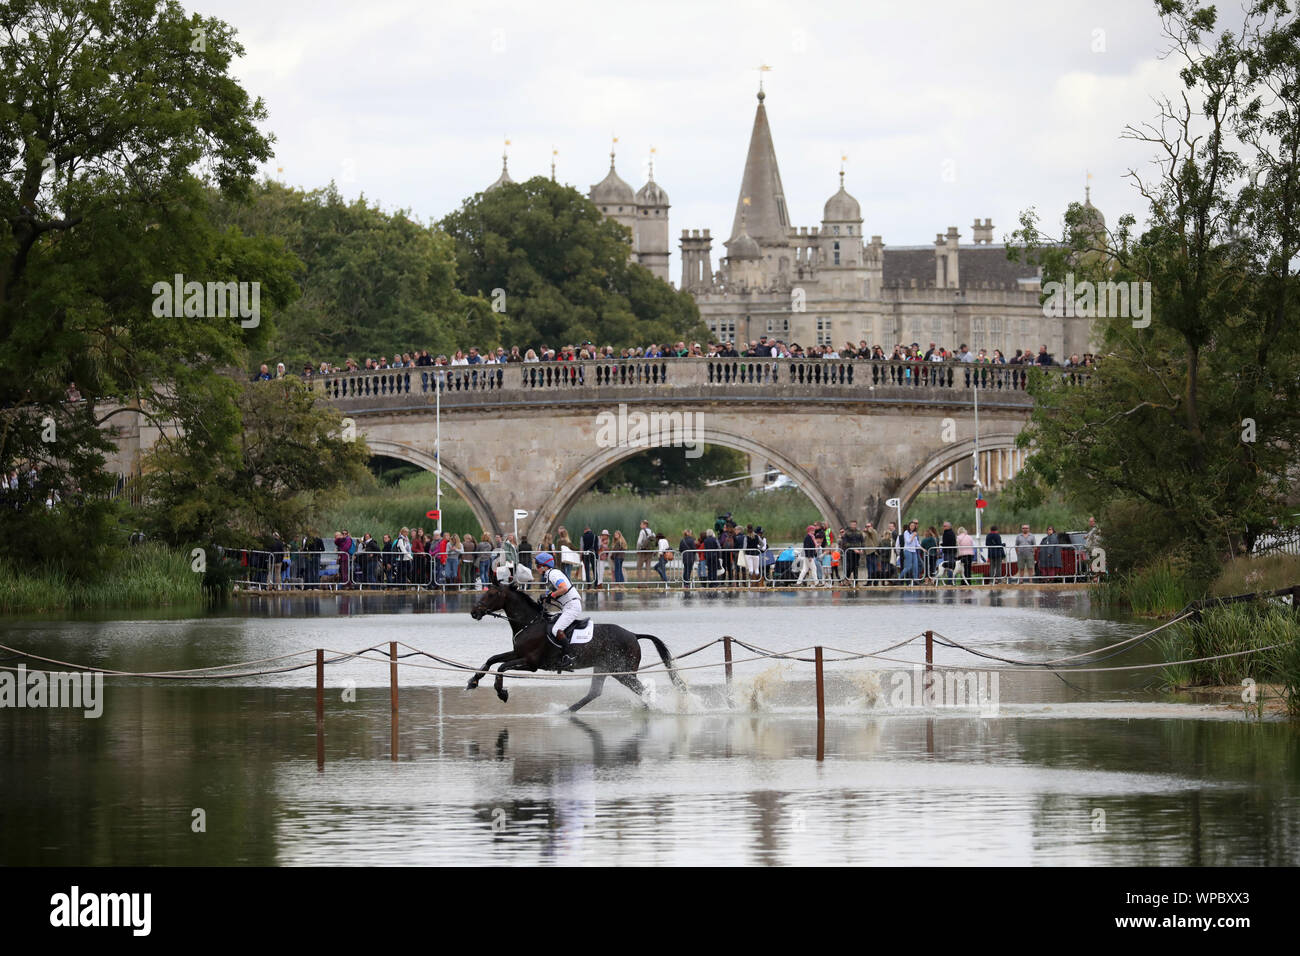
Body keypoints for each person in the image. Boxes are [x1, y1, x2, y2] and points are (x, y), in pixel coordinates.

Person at [534, 552, 581, 669]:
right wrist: (544, 598)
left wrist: (552, 595)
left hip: (572, 606)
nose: (536, 568)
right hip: (567, 606)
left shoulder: (553, 574)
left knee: (556, 630)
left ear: (545, 566)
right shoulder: (549, 576)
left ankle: (568, 657)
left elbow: (563, 588)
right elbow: (550, 594)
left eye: (537, 565)